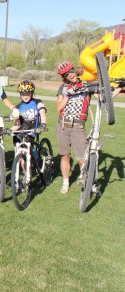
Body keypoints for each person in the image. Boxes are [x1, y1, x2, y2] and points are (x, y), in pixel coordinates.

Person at [55, 61, 96, 194]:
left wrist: (118, 87)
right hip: (63, 126)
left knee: (81, 158)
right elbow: (58, 107)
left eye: (71, 71)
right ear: (64, 77)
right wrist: (69, 94)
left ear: (74, 70)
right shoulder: (63, 88)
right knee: (65, 155)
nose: (70, 75)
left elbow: (105, 98)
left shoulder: (86, 85)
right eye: (66, 74)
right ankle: (66, 182)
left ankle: (88, 182)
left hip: (78, 127)